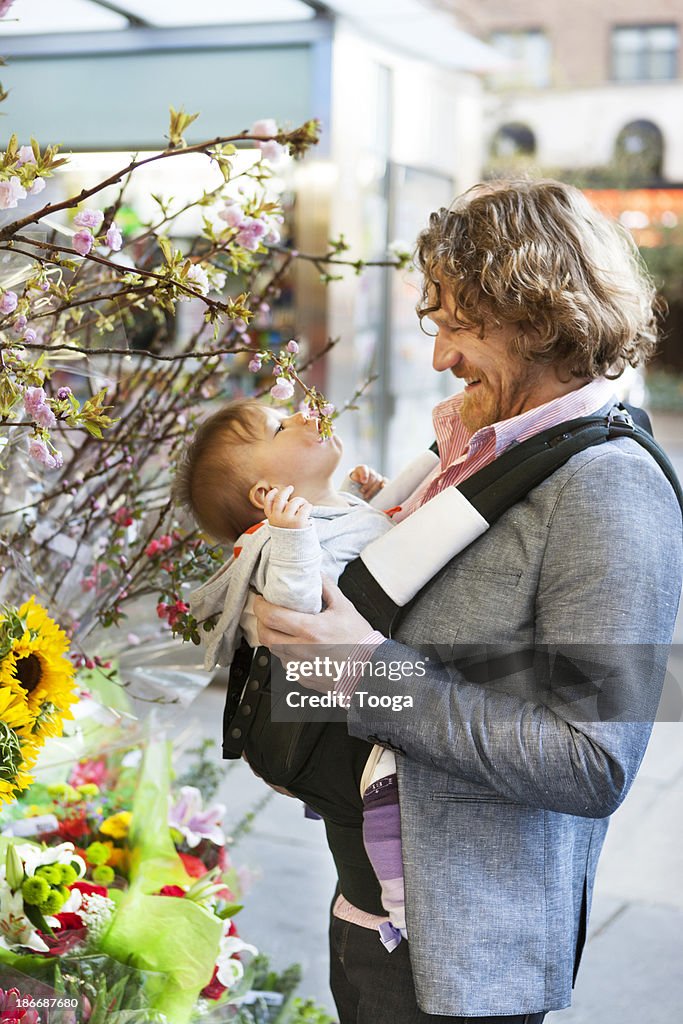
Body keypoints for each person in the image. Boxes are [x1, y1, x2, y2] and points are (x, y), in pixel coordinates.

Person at [252, 179, 683, 1024]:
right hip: (377, 911)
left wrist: (360, 672)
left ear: (534, 311)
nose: (441, 354)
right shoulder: (477, 446)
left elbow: (590, 761)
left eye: (456, 322)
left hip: (459, 960)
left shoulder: (611, 487)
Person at [174, 398, 437, 941]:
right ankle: (402, 903)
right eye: (278, 426)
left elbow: (363, 543)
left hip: (374, 672)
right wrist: (292, 537)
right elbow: (296, 610)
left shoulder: (328, 510)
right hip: (342, 694)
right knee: (383, 792)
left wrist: (371, 499)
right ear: (265, 494)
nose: (299, 417)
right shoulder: (275, 540)